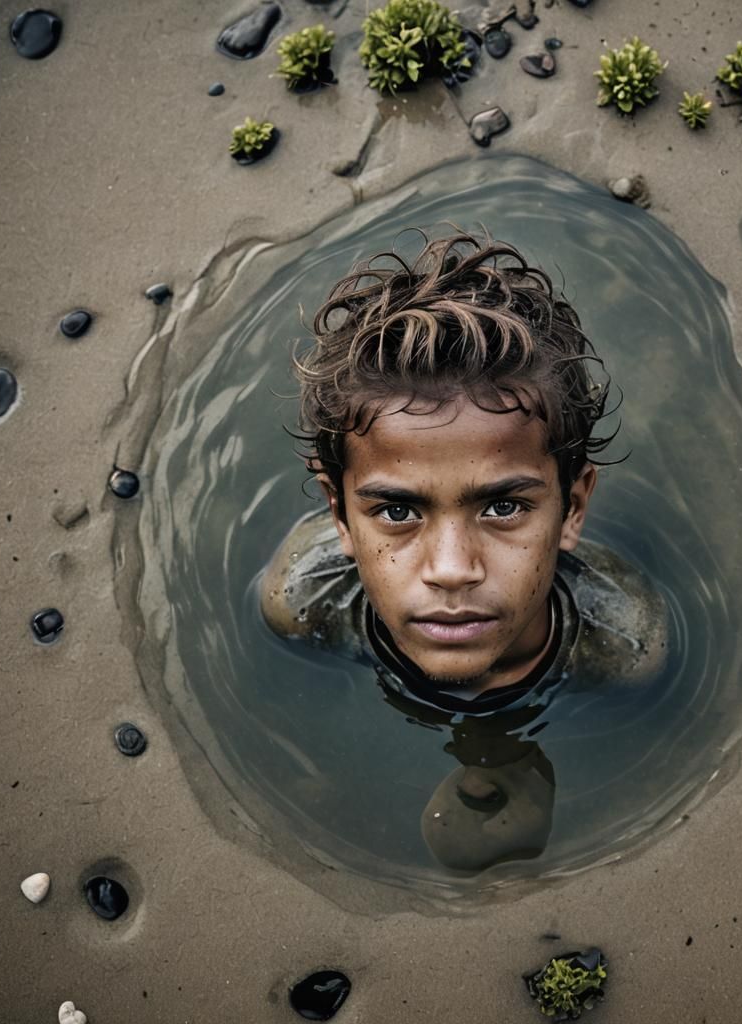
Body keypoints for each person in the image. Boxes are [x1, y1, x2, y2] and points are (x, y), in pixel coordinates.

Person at [260, 230, 669, 718]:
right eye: (397, 511)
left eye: (503, 506)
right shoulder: (303, 599)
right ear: (339, 516)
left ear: (573, 508)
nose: (451, 570)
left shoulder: (623, 643)